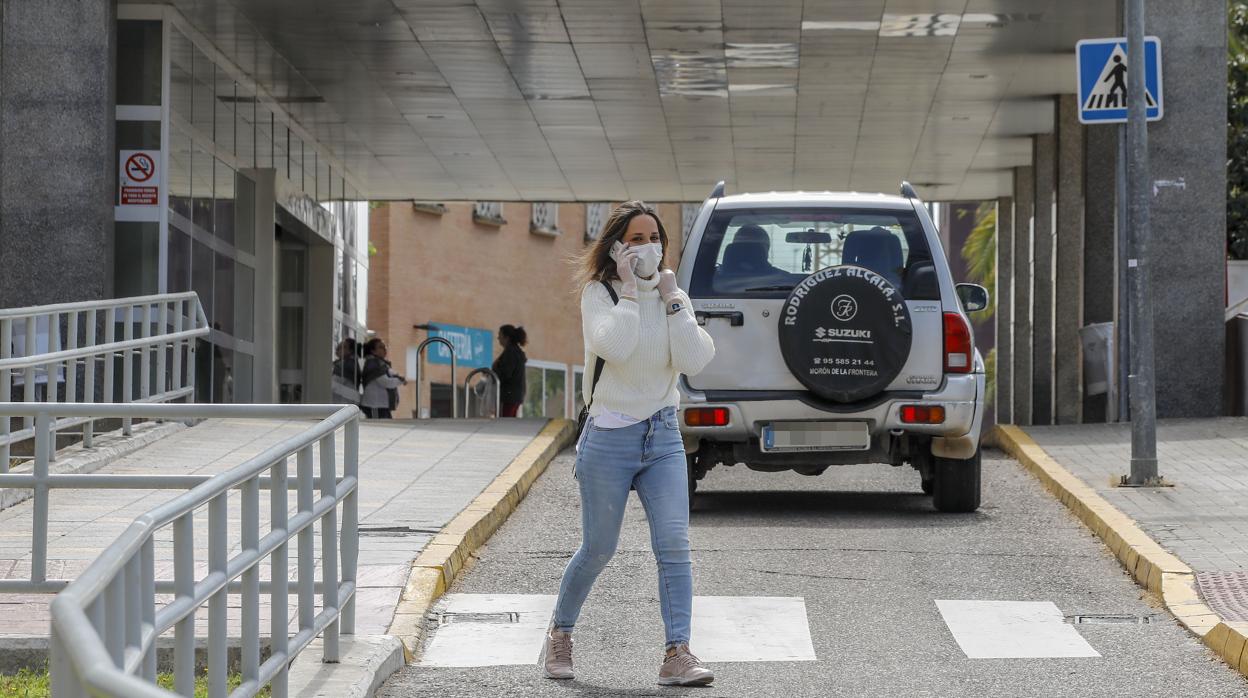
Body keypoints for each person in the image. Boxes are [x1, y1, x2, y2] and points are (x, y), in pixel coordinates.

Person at [542, 201, 717, 686]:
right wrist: (633, 296)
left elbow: (695, 357)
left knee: (674, 545)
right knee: (599, 548)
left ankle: (677, 652)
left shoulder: (671, 295)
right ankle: (561, 631)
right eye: (636, 239)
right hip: (609, 436)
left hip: (661, 433)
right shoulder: (599, 294)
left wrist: (673, 299)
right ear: (617, 245)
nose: (647, 247)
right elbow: (614, 347)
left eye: (653, 237)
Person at [360, 338, 404, 419]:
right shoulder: (373, 363)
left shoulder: (381, 363)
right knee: (377, 428)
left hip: (381, 405)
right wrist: (400, 380)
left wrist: (399, 378)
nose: (384, 349)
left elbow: (391, 374)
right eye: (380, 347)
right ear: (373, 351)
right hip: (375, 404)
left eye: (384, 347)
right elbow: (386, 382)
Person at [492, 325, 528, 417]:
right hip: (515, 395)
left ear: (507, 338)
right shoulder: (516, 352)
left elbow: (506, 373)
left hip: (508, 395)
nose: (498, 338)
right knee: (509, 422)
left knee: (504, 423)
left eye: (500, 335)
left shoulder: (510, 352)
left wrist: (494, 372)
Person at [332, 337, 362, 404]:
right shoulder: (342, 363)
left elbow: (332, 384)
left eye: (343, 347)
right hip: (344, 402)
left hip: (344, 403)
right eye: (338, 346)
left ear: (350, 350)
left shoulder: (346, 365)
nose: (337, 349)